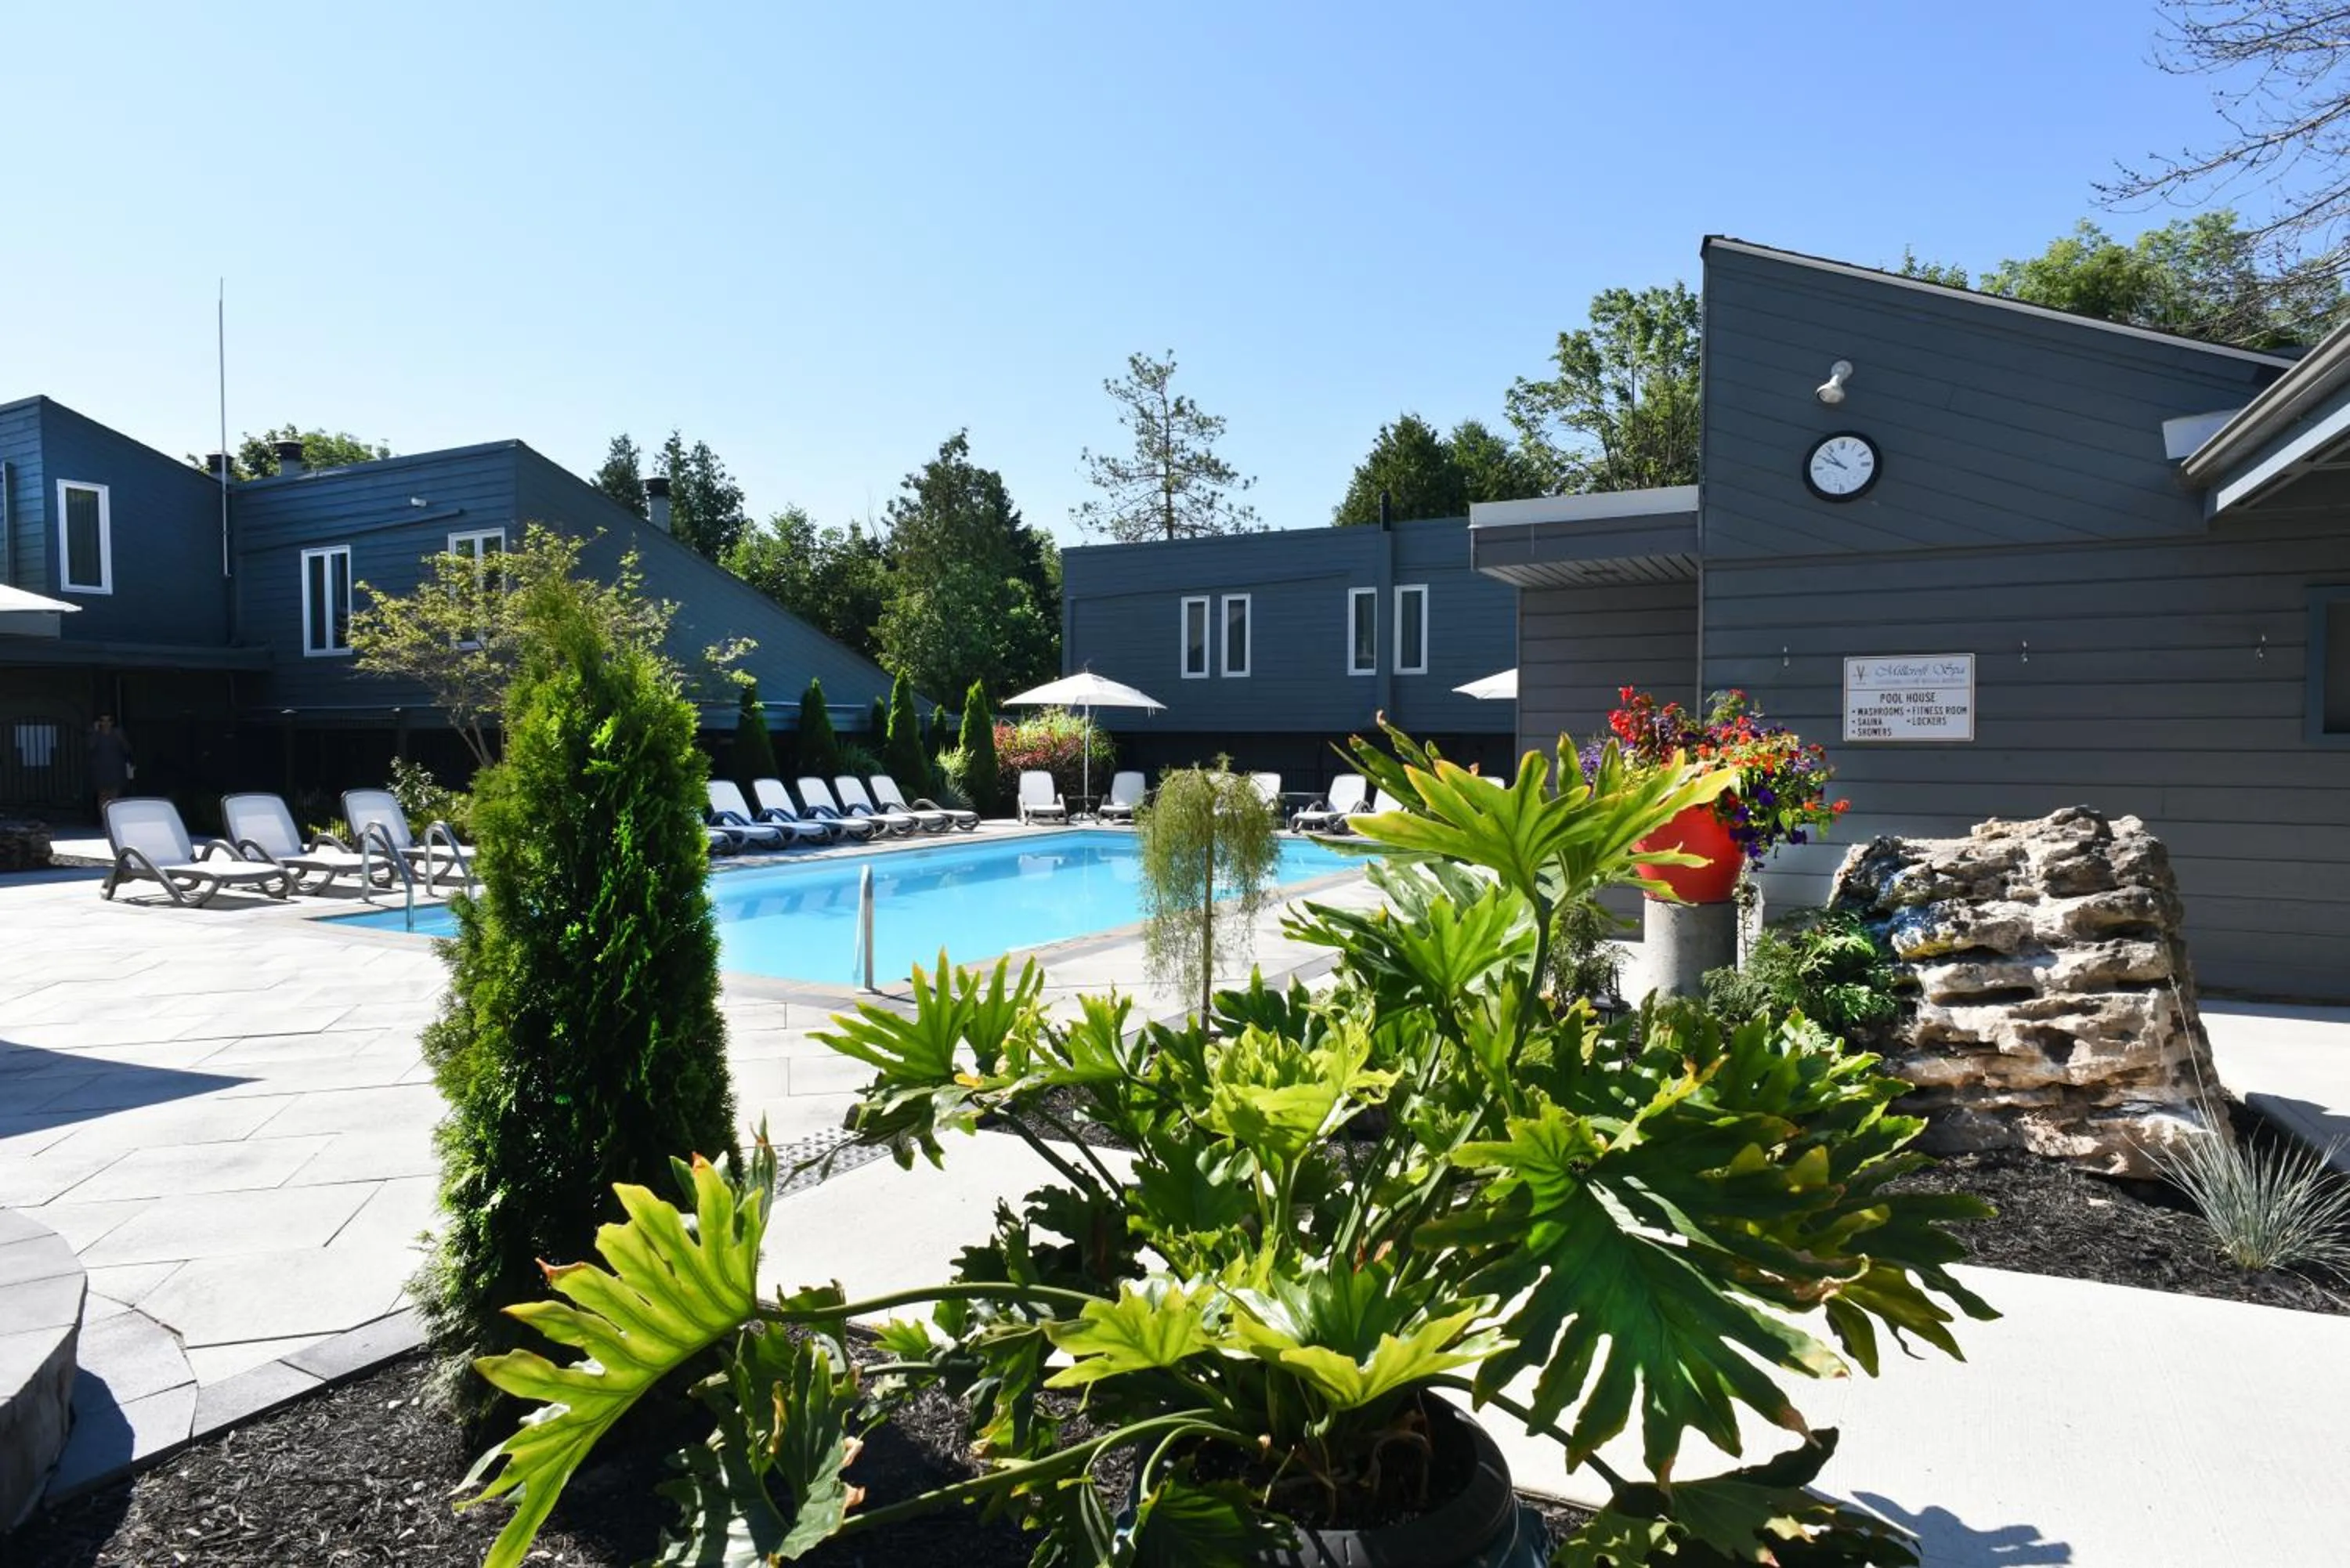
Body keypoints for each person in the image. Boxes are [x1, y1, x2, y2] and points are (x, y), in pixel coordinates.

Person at [89, 714, 133, 812]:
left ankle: (112, 819)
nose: (106, 723)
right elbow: (90, 747)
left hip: (116, 769)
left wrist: (121, 738)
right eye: (103, 721)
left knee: (114, 797)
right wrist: (95, 732)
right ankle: (104, 820)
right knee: (102, 797)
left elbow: (127, 749)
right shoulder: (96, 734)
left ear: (112, 723)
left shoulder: (118, 734)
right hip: (100, 770)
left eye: (108, 721)